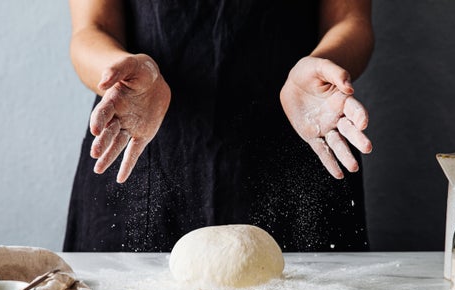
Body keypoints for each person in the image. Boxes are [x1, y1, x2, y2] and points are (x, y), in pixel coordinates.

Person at [63, 0, 374, 253]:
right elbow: (92, 29)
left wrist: (323, 64)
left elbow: (349, 20)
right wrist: (118, 71)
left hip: (299, 138)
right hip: (145, 147)